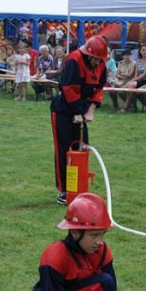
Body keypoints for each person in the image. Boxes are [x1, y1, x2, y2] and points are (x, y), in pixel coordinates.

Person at [50, 36, 107, 205]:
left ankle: (79, 187)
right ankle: (64, 191)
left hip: (81, 108)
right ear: (90, 55)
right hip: (63, 110)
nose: (98, 63)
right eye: (96, 60)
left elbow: (99, 88)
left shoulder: (102, 63)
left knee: (81, 148)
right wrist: (76, 112)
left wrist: (91, 111)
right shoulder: (74, 60)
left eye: (100, 60)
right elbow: (68, 88)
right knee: (64, 151)